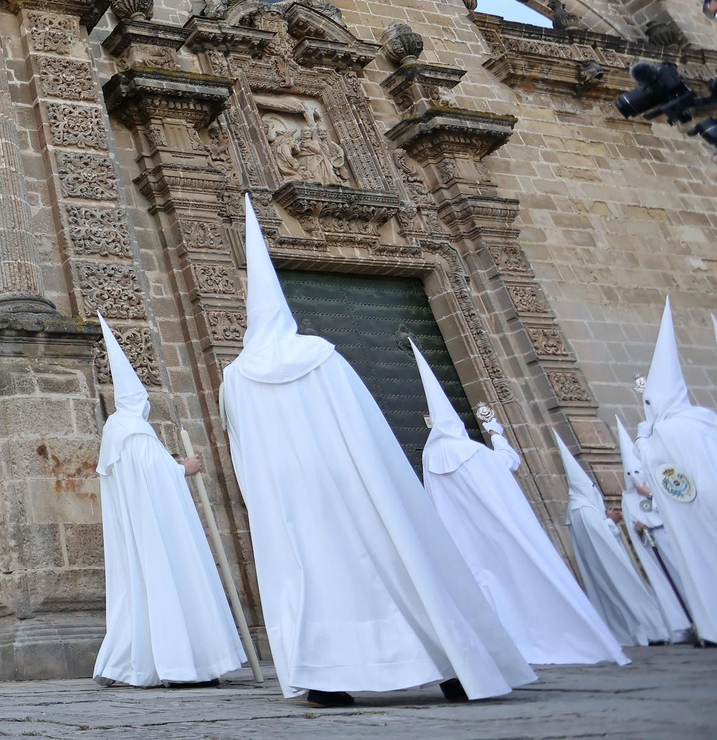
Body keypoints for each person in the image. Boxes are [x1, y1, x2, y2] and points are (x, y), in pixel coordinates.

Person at [219, 195, 533, 707]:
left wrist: (264, 497)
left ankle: (326, 679)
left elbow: (242, 451)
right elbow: (365, 429)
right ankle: (454, 665)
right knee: (399, 558)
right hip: (351, 483)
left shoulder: (235, 379)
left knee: (317, 576)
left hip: (291, 497)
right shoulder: (320, 355)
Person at [412, 343, 625, 666]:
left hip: (462, 538)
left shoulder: (430, 456)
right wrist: (496, 434)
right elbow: (507, 465)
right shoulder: (469, 451)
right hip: (494, 534)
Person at [92, 313, 246, 688]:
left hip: (138, 527)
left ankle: (131, 663)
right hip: (158, 529)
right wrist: (184, 468)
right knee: (171, 582)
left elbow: (142, 475)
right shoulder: (135, 430)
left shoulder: (114, 431)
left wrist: (171, 467)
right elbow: (157, 474)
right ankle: (181, 666)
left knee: (141, 588)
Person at [636, 299, 717, 642]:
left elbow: (651, 468)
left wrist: (643, 429)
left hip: (693, 510)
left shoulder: (663, 432)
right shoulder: (704, 418)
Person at [554, 430, 668, 646]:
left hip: (610, 561)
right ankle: (646, 632)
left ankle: (649, 631)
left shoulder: (581, 507)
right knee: (627, 594)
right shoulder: (582, 508)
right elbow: (600, 538)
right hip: (608, 565)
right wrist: (611, 522)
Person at [618, 415, 693, 643]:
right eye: (630, 475)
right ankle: (681, 625)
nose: (635, 478)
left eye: (637, 472)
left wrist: (650, 493)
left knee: (685, 575)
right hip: (653, 544)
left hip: (670, 537)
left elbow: (673, 507)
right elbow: (631, 524)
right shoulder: (626, 498)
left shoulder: (659, 486)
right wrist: (637, 527)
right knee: (666, 582)